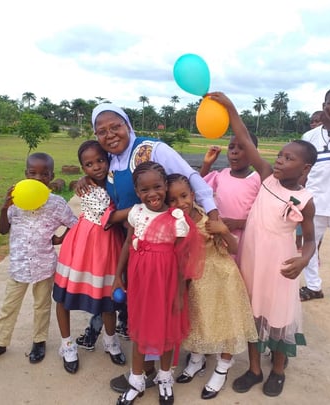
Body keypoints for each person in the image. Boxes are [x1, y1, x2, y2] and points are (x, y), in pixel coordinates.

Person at [76, 103, 219, 393]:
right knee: (144, 308)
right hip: (137, 247)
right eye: (101, 131)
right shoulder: (112, 160)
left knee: (167, 306)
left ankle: (157, 369)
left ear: (128, 124)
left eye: (115, 126)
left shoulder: (152, 149)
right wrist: (87, 179)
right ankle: (147, 369)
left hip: (167, 246)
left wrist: (213, 213)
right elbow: (101, 179)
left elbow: (190, 177)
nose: (110, 134)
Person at [208, 92, 317, 397]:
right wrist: (230, 109)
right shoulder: (267, 176)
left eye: (289, 158)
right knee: (252, 315)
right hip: (252, 260)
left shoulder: (306, 202)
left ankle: (278, 370)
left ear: (305, 168)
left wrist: (303, 260)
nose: (280, 161)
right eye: (280, 155)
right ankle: (255, 369)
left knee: (279, 320)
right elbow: (244, 138)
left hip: (281, 267)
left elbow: (309, 240)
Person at [112, 161, 204, 405]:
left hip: (167, 284)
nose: (152, 194)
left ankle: (164, 378)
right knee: (140, 330)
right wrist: (117, 276)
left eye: (157, 187)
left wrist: (180, 293)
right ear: (137, 191)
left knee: (167, 331)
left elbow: (182, 260)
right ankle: (136, 381)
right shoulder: (136, 213)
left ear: (165, 186)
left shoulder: (177, 219)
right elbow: (127, 244)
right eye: (144, 190)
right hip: (141, 283)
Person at [0, 153, 77, 367]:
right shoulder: (15, 200)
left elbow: (74, 223)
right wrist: (4, 208)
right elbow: (3, 230)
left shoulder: (56, 203)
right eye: (33, 173)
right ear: (25, 174)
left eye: (44, 174)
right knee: (9, 306)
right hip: (18, 265)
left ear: (52, 176)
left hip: (44, 265)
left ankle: (39, 341)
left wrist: (59, 238)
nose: (38, 178)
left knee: (42, 305)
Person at [166, 174, 257, 400]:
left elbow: (235, 248)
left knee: (225, 322)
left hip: (222, 278)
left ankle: (222, 368)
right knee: (197, 320)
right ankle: (196, 360)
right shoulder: (172, 222)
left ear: (194, 195)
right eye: (173, 199)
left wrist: (223, 230)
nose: (180, 203)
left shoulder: (209, 218)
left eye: (184, 196)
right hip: (196, 281)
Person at [53, 141, 127, 374]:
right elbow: (110, 217)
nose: (96, 167)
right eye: (89, 164)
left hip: (108, 247)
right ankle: (67, 345)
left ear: (108, 160)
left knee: (108, 298)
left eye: (100, 161)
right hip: (83, 246)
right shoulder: (86, 188)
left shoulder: (116, 180)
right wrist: (138, 210)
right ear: (83, 168)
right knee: (64, 297)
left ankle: (110, 340)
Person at [300, 88, 330, 302]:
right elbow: (302, 169)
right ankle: (313, 287)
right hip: (313, 202)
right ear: (323, 104)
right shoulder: (309, 136)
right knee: (310, 245)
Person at [199, 133, 260, 264]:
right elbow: (200, 187)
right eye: (231, 147)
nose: (234, 151)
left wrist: (239, 224)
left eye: (241, 148)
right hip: (220, 236)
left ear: (253, 153)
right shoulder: (221, 175)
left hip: (246, 237)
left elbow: (264, 215)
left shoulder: (258, 180)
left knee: (242, 271)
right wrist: (207, 164)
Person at [295, 111, 323, 252]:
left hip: (323, 192)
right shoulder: (307, 138)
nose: (314, 124)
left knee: (316, 227)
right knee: (300, 218)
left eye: (318, 121)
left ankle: (315, 251)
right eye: (312, 121)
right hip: (307, 186)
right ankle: (298, 243)